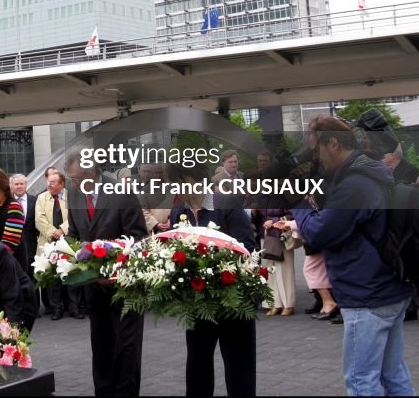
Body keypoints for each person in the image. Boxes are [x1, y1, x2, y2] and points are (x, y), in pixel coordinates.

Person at [291, 116, 414, 396]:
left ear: (332, 143)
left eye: (316, 150)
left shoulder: (355, 183)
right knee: (394, 375)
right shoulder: (369, 171)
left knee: (361, 382)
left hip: (367, 293)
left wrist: (298, 205)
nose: (316, 158)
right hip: (388, 285)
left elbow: (321, 233)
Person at [167, 162, 258, 397]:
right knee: (197, 366)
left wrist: (214, 261)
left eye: (182, 182)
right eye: (174, 184)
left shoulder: (226, 203)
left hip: (233, 300)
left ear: (198, 180)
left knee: (240, 367)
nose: (178, 188)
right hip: (198, 302)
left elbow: (248, 246)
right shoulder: (179, 211)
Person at [64, 151, 147, 397]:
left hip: (125, 287)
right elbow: (75, 234)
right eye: (71, 179)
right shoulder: (75, 193)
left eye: (78, 178)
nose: (74, 184)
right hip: (94, 286)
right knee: (100, 346)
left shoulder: (122, 192)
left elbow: (137, 238)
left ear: (93, 172)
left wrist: (117, 268)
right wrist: (64, 254)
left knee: (126, 348)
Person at [382, 148, 419, 324]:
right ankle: (411, 308)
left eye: (383, 155)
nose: (381, 159)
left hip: (410, 225)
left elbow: (402, 191)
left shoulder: (409, 169)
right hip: (396, 225)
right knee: (401, 269)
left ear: (392, 155)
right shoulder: (385, 171)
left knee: (415, 269)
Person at [34, 166, 83, 320]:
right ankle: (56, 308)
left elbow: (76, 215)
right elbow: (39, 218)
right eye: (49, 183)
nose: (49, 185)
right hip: (48, 242)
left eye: (53, 183)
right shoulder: (41, 198)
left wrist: (62, 230)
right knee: (52, 276)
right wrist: (52, 232)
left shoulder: (72, 196)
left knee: (71, 273)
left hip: (69, 240)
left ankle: (74, 307)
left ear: (62, 184)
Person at [10, 173, 39, 283]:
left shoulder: (35, 201)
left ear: (26, 185)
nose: (19, 186)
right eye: (16, 184)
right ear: (12, 186)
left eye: (21, 184)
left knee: (33, 281)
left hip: (32, 248)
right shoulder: (8, 202)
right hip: (14, 249)